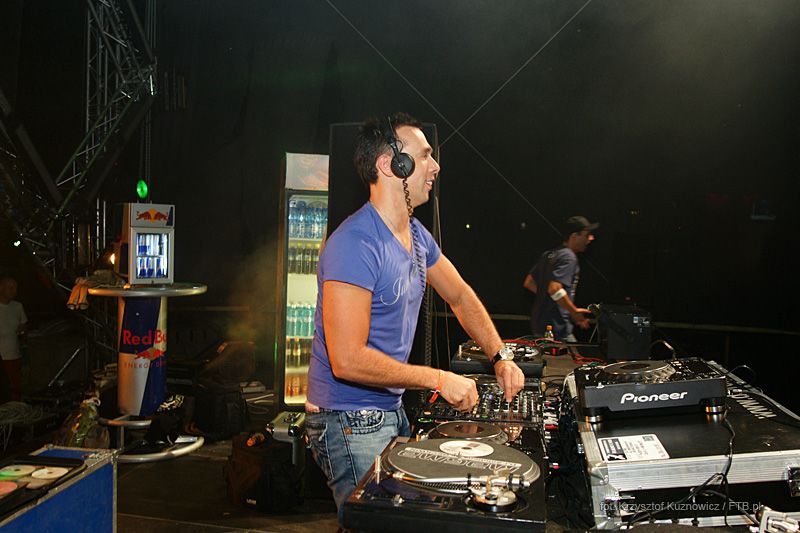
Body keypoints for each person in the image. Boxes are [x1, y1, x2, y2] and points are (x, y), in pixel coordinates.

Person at [305, 112, 525, 524]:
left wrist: (500, 356)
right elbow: (346, 359)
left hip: (387, 410)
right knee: (378, 525)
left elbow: (459, 295)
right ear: (392, 165)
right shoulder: (355, 244)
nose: (435, 166)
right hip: (348, 419)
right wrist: (439, 379)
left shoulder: (418, 236)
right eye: (424, 156)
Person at [523, 216, 598, 342]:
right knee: (572, 353)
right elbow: (554, 288)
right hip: (557, 327)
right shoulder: (569, 257)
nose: (590, 239)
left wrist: (554, 301)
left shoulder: (549, 254)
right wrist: (574, 312)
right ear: (574, 236)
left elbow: (529, 283)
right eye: (586, 235)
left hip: (540, 324)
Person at [0, 274, 28, 401]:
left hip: (14, 355)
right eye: (10, 288)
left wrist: (22, 331)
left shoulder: (17, 306)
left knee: (16, 389)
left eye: (15, 288)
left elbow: (23, 325)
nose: (13, 291)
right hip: (1, 356)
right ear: (1, 288)